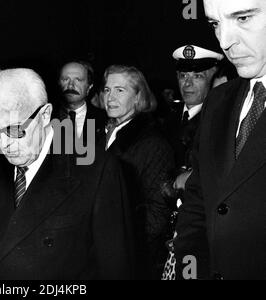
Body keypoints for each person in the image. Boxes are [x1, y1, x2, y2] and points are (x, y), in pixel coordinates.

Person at [0, 68, 134, 280]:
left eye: (15, 130)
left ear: (45, 115)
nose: (4, 144)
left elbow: (115, 268)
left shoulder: (96, 169)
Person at [174, 0, 266, 280]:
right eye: (215, 23)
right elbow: (199, 203)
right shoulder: (218, 100)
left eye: (243, 18)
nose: (225, 42)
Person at [101, 65, 175, 279]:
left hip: (131, 257)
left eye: (120, 90)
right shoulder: (102, 135)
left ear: (138, 96)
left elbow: (158, 212)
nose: (110, 97)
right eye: (107, 90)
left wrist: (123, 245)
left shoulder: (154, 144)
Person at [168, 45, 223, 192]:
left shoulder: (220, 122)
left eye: (197, 76)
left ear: (212, 80)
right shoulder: (166, 119)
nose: (187, 84)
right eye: (183, 75)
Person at [54, 60, 107, 150]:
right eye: (65, 79)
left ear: (89, 86)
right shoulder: (46, 118)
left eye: (78, 80)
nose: (70, 86)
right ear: (59, 83)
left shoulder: (104, 120)